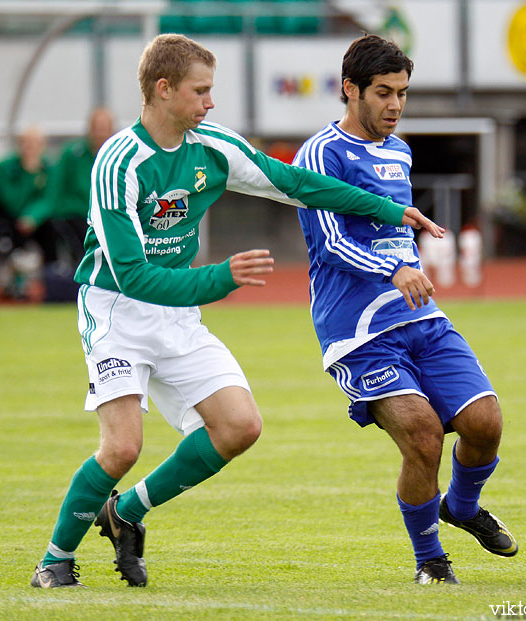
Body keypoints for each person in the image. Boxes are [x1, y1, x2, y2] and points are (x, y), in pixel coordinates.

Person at [30, 33, 441, 588]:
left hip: (177, 312)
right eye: (201, 91)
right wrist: (221, 277)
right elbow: (132, 276)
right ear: (163, 89)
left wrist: (391, 211)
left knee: (240, 426)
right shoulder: (119, 162)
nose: (210, 102)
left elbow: (296, 184)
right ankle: (54, 560)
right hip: (117, 311)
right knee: (123, 446)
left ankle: (125, 511)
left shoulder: (212, 144)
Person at [293, 34, 518, 585]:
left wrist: (408, 243)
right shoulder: (321, 154)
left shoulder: (399, 150)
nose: (395, 105)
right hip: (359, 330)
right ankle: (431, 562)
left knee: (485, 423)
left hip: (419, 317)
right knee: (422, 436)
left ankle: (462, 508)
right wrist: (393, 269)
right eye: (383, 92)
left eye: (403, 93)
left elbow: (386, 225)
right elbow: (327, 242)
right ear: (350, 90)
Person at [43, 108, 115, 267]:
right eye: (97, 128)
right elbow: (56, 188)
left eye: (105, 128)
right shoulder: (72, 154)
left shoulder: (117, 156)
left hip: (108, 217)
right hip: (76, 216)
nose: (101, 133)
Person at [0, 125, 57, 267]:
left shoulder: (49, 169)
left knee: (51, 229)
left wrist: (33, 217)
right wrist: (30, 174)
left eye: (35, 144)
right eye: (26, 143)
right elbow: (10, 201)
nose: (30, 148)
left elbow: (49, 199)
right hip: (6, 216)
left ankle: (51, 273)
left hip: (34, 219)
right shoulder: (4, 167)